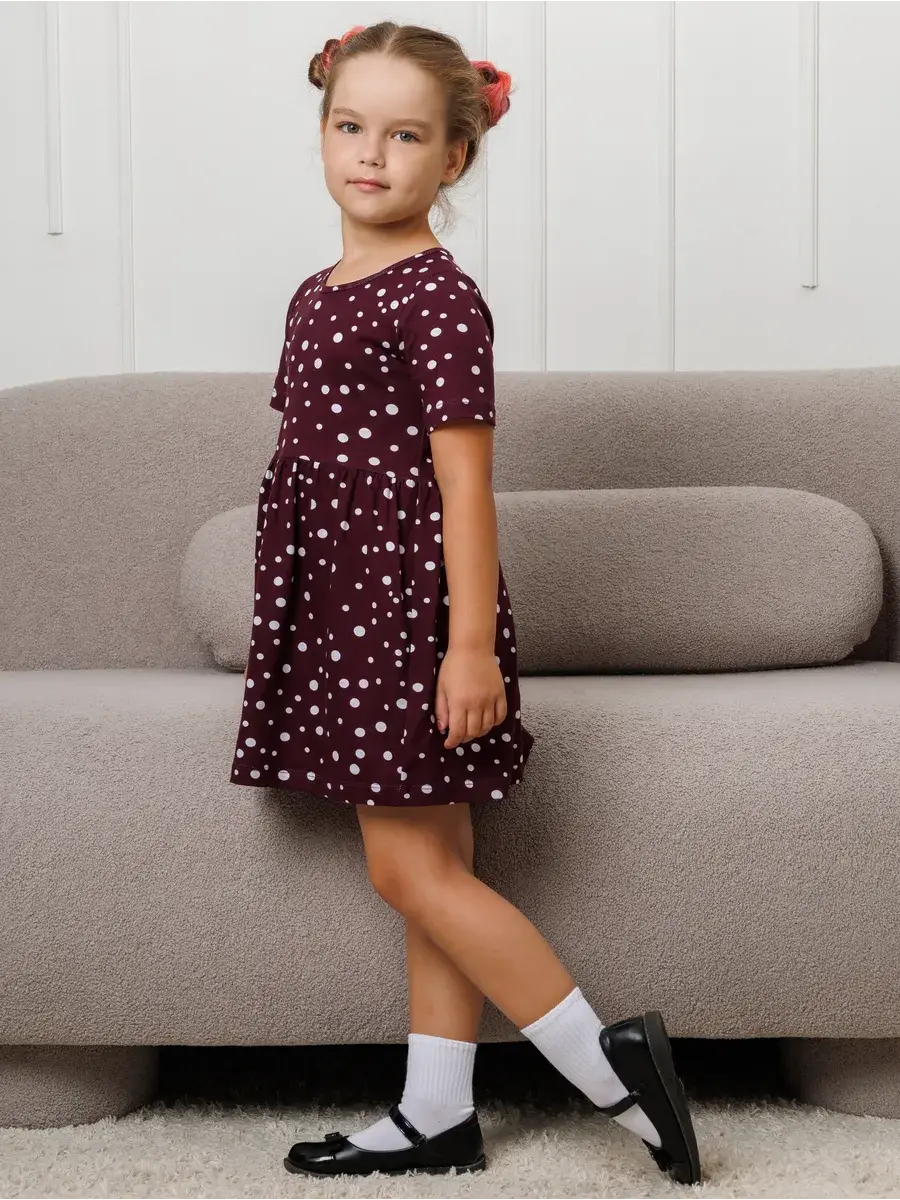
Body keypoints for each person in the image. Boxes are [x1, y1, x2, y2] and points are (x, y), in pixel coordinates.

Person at [229, 19, 702, 1186]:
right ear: (321, 131)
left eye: (404, 136)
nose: (370, 153)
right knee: (437, 867)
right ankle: (437, 1113)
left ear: (453, 158)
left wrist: (470, 647)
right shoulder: (314, 295)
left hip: (403, 615)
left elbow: (464, 488)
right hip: (336, 613)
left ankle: (609, 1066)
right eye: (350, 125)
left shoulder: (438, 300)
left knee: (409, 871)